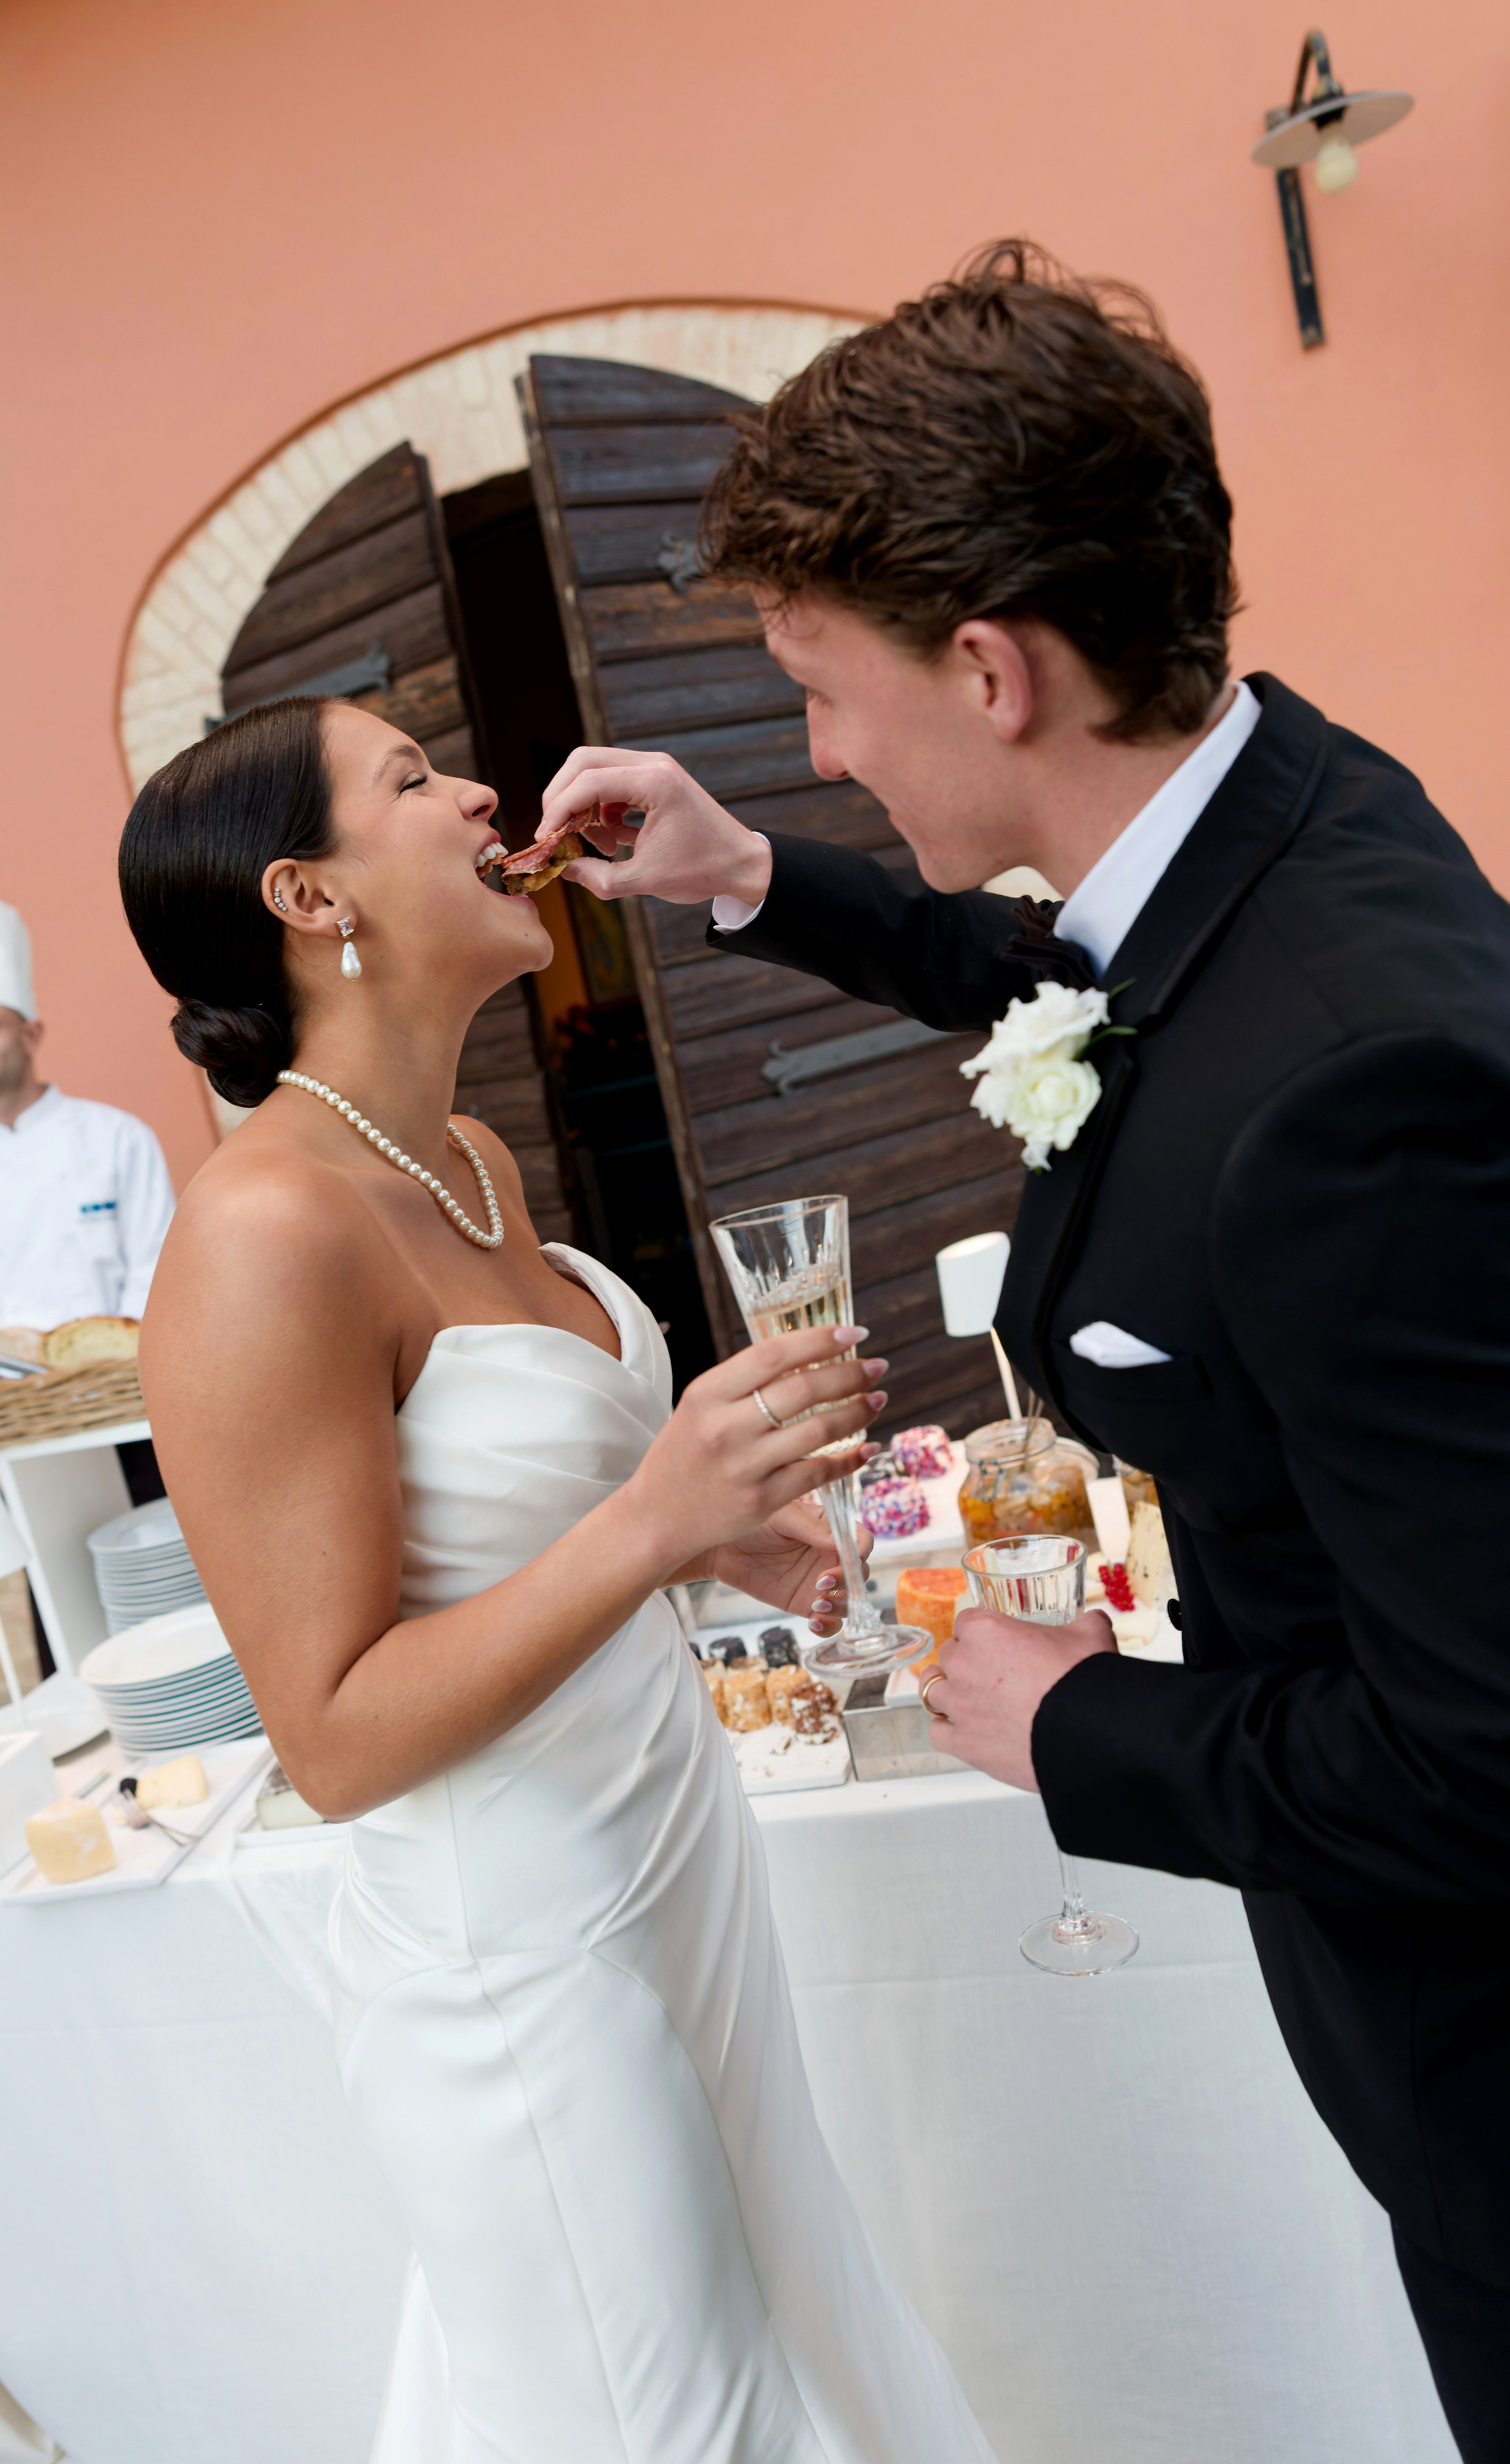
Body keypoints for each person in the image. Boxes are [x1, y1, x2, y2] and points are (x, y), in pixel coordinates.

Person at [531, 244, 1510, 2462]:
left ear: (986, 668)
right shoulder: (1281, 816)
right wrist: (753, 875)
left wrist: (1084, 1727)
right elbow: (1084, 990)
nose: (816, 750)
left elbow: (1483, 1752)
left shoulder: (1345, 1091)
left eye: (821, 694)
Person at [117, 698, 996, 2464]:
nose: (476, 796)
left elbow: (495, 1529)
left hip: (665, 1875)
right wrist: (653, 1519)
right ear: (310, 896)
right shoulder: (260, 1231)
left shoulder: (466, 1160)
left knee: (792, 2352)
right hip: (523, 1967)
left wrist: (711, 1529)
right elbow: (333, 1737)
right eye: (410, 780)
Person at [0, 898, 176, 1381]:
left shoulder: (117, 1138)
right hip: (17, 1412)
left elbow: (157, 1268)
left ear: (31, 1035)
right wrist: (7, 1396)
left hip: (131, 1390)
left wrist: (114, 1368)